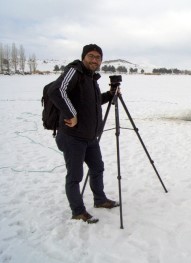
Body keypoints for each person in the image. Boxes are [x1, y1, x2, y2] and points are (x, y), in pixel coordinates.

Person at [49, 44, 119, 224]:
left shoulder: (91, 78)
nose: (95, 60)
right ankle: (78, 211)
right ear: (83, 57)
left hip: (90, 137)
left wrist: (109, 94)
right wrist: (71, 114)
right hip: (72, 137)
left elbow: (92, 104)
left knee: (97, 168)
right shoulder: (74, 71)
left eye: (98, 57)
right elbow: (56, 91)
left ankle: (100, 200)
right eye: (91, 56)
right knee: (75, 176)